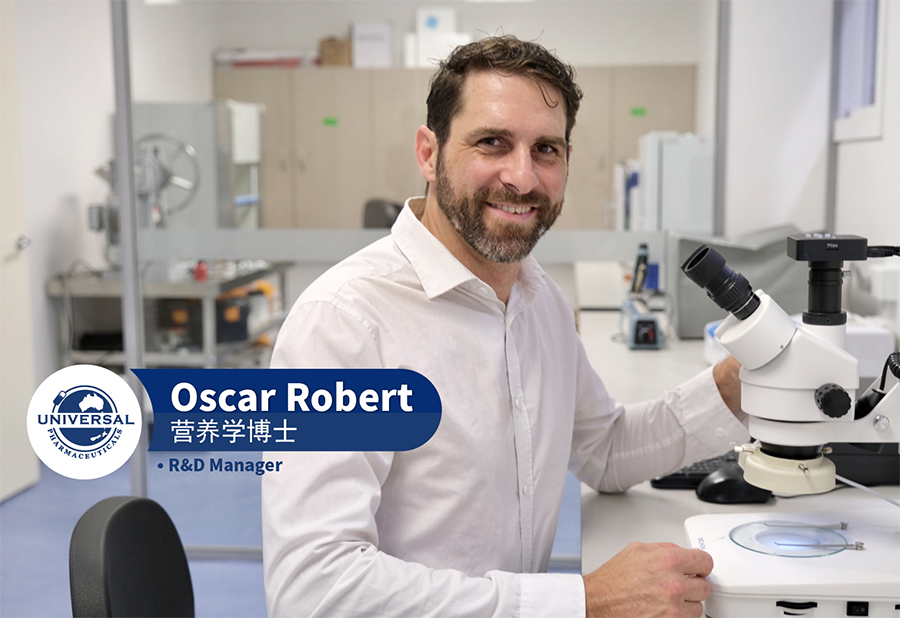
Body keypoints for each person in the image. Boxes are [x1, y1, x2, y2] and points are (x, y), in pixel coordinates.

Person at [263, 35, 749, 618]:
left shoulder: (540, 301)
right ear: (428, 153)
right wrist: (584, 601)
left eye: (546, 149)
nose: (522, 177)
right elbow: (313, 591)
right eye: (492, 142)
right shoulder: (343, 324)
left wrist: (730, 387)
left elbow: (603, 450)